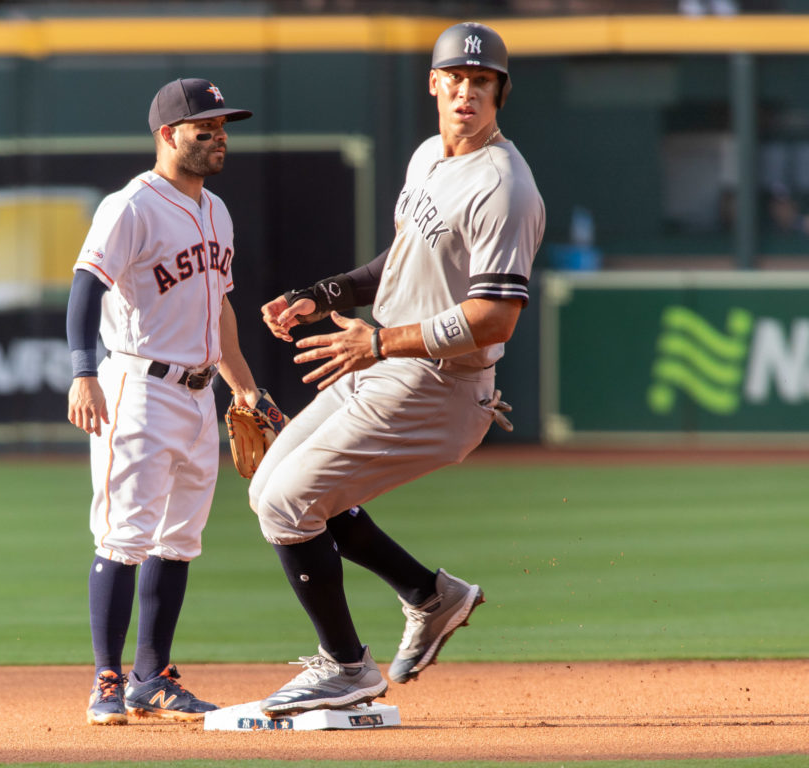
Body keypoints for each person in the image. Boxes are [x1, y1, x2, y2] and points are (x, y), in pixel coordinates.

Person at [250, 22, 546, 716]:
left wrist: (379, 345)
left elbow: (495, 318)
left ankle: (346, 666)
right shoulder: (427, 157)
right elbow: (405, 261)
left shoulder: (504, 187)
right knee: (271, 487)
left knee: (287, 504)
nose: (468, 91)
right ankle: (430, 594)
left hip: (438, 386)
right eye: (457, 78)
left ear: (500, 92)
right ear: (434, 83)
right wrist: (323, 295)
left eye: (483, 82)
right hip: (391, 358)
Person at [66, 77, 263, 725]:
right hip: (138, 388)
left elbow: (220, 306)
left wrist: (245, 386)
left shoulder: (217, 210)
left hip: (200, 393)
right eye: (203, 127)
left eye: (223, 126)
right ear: (167, 135)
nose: (218, 136)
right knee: (125, 535)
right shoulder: (130, 206)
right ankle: (106, 680)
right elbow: (85, 285)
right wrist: (82, 372)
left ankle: (151, 675)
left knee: (179, 540)